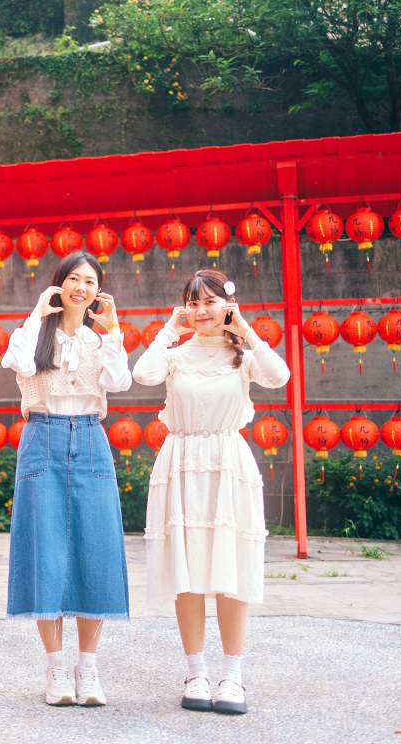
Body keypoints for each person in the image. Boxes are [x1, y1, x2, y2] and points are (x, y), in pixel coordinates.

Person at [131, 268, 290, 715]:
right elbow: (141, 374)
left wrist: (247, 331)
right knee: (188, 572)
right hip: (182, 461)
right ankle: (195, 671)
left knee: (231, 569)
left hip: (227, 463)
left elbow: (279, 376)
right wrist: (168, 329)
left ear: (227, 305)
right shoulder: (176, 354)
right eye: (193, 303)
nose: (201, 311)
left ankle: (233, 675)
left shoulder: (242, 355)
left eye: (210, 302)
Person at [0, 251, 133, 707]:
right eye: (72, 279)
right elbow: (14, 359)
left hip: (91, 439)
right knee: (45, 552)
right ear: (58, 286)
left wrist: (114, 328)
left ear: (98, 291)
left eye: (89, 281)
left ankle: (89, 668)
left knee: (95, 549)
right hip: (44, 438)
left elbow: (119, 381)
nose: (81, 287)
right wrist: (38, 312)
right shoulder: (35, 336)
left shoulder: (100, 342)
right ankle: (56, 668)